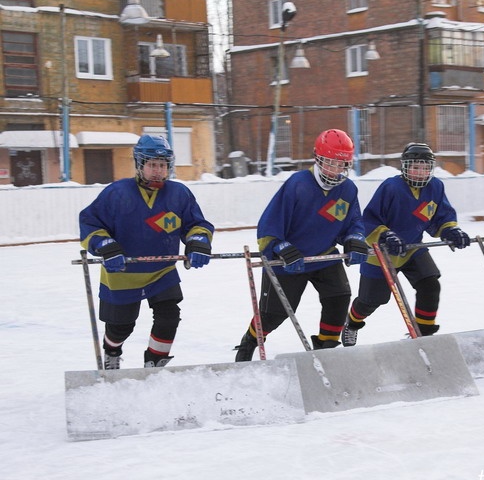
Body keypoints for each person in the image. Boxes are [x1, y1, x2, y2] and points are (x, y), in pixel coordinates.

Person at [79, 134, 214, 369]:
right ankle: (112, 352)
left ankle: (154, 363)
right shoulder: (116, 193)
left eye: (162, 165)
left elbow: (196, 224)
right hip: (122, 272)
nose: (158, 171)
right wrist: (105, 246)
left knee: (169, 316)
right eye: (152, 165)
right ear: (140, 165)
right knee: (121, 327)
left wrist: (199, 241)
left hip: (161, 272)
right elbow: (90, 223)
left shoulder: (179, 194)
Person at [235, 129, 368, 361]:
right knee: (274, 314)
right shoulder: (298, 184)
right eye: (330, 163)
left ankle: (326, 349)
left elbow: (353, 222)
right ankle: (249, 342)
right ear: (318, 159)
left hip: (324, 255)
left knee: (339, 296)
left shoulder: (348, 190)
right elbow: (268, 226)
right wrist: (280, 246)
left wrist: (355, 239)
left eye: (342, 164)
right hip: (287, 260)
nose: (336, 170)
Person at [341, 142, 471, 346]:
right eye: (415, 167)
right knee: (371, 301)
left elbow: (440, 215)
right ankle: (352, 324)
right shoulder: (391, 187)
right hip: (380, 254)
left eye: (425, 167)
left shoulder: (436, 187)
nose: (421, 173)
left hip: (411, 249)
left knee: (430, 284)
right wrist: (386, 236)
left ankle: (424, 335)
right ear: (405, 167)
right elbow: (370, 219)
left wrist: (450, 229)